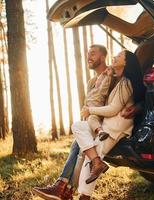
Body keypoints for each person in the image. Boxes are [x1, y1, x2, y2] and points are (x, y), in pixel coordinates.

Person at [32, 45, 145, 200]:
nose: (89, 57)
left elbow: (131, 95)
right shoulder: (92, 81)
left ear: (102, 57)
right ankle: (66, 187)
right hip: (98, 122)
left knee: (84, 152)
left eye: (93, 54)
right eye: (87, 54)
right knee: (78, 134)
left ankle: (68, 189)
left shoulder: (116, 77)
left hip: (111, 125)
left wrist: (138, 106)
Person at [72, 50, 145, 199]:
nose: (114, 57)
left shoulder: (126, 82)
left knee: (89, 157)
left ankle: (84, 196)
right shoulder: (115, 78)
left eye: (119, 56)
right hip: (105, 125)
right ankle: (97, 162)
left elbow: (114, 109)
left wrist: (90, 110)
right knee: (77, 126)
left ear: (125, 62)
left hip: (116, 126)